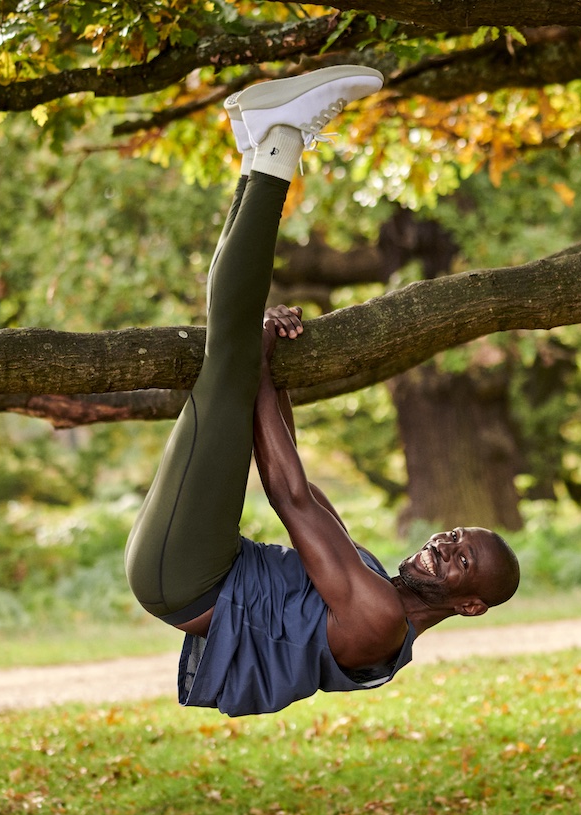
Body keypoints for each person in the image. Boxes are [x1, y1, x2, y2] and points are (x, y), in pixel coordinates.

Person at [124, 66, 521, 717]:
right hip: (204, 566)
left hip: (185, 577)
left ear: (469, 603)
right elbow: (301, 476)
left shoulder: (379, 620)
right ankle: (261, 147)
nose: (446, 543)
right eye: (456, 535)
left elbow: (288, 494)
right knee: (233, 355)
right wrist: (271, 376)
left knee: (229, 358)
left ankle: (276, 145)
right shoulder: (375, 584)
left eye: (462, 558)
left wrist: (258, 361)